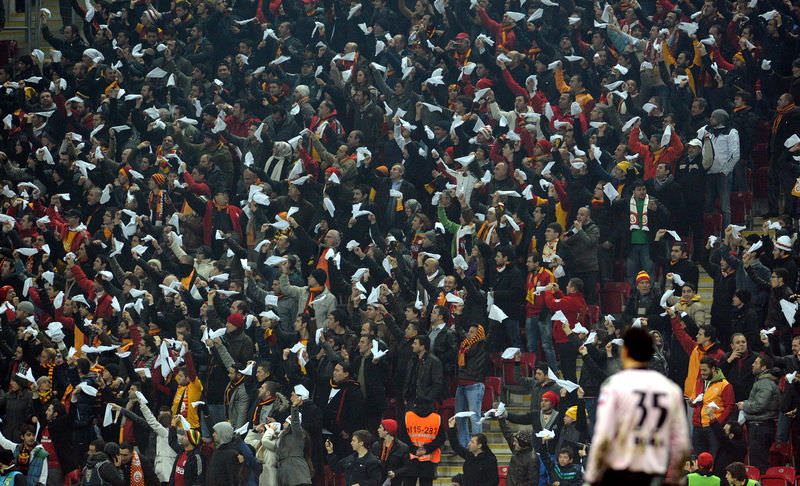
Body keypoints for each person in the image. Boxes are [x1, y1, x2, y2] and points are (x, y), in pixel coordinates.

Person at [584, 327, 690, 485]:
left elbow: (603, 434)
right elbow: (680, 440)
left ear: (625, 353)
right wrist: (675, 478)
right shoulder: (671, 390)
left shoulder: (614, 386)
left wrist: (592, 476)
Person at [736, 353, 779, 474]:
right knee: (760, 461)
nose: (752, 365)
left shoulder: (764, 383)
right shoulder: (763, 381)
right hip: (762, 426)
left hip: (760, 427)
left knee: (759, 463)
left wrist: (744, 405)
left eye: (756, 363)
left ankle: (761, 482)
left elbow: (760, 405)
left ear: (763, 367)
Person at [445, 416, 499, 486]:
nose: (469, 444)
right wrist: (451, 427)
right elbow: (455, 446)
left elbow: (494, 481)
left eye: (472, 442)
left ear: (479, 445)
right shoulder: (469, 454)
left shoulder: (490, 460)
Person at [371, 419, 409, 486]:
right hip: (377, 481)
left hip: (394, 482)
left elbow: (407, 467)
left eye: (380, 428)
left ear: (387, 431)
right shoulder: (376, 445)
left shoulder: (403, 447)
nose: (378, 430)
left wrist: (395, 473)